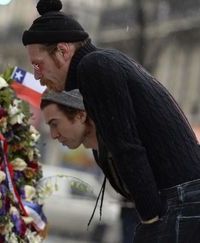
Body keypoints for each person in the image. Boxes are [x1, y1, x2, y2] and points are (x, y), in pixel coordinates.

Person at [23, 0, 200, 242]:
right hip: (184, 195)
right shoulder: (103, 62)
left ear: (63, 51)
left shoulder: (94, 67)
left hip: (182, 198)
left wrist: (150, 217)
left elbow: (126, 145)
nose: (37, 76)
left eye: (38, 65)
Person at [40, 89, 139, 243]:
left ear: (81, 115)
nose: (53, 134)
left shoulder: (124, 147)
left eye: (55, 124)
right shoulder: (100, 151)